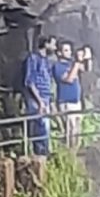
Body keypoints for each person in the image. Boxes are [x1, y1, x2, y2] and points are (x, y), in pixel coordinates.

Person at [21, 30, 57, 159]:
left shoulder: (47, 61)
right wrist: (40, 101)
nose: (55, 48)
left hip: (45, 98)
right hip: (35, 99)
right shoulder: (33, 58)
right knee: (39, 124)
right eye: (53, 44)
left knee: (45, 125)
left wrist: (50, 101)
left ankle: (45, 152)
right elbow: (30, 82)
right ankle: (40, 153)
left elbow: (49, 81)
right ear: (46, 44)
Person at [54, 39, 84, 147]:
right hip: (66, 101)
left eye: (70, 50)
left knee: (77, 130)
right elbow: (69, 79)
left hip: (76, 101)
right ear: (59, 53)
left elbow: (86, 68)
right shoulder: (57, 66)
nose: (69, 53)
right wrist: (77, 62)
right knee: (69, 130)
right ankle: (69, 153)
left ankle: (75, 151)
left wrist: (87, 58)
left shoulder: (71, 64)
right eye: (66, 50)